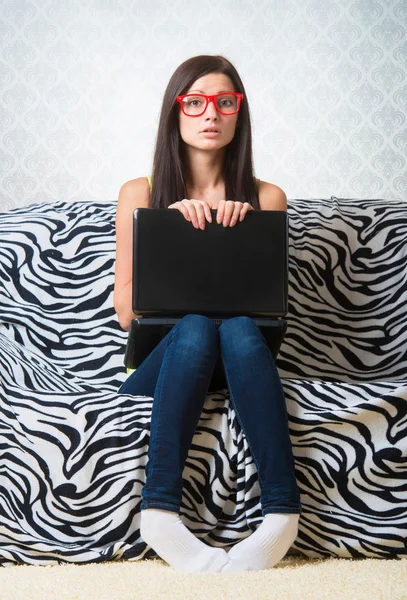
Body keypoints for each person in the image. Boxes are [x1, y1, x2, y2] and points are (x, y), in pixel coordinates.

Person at [113, 55, 302, 573]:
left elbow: (272, 314)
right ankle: (160, 514)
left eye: (224, 102)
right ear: (175, 112)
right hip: (161, 367)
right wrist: (170, 238)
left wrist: (239, 232)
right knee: (195, 327)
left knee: (240, 328)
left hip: (241, 360)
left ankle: (283, 517)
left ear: (239, 113)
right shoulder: (141, 194)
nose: (209, 113)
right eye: (194, 102)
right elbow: (127, 313)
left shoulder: (267, 198)